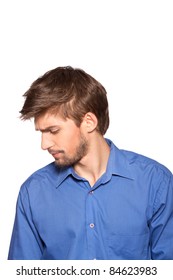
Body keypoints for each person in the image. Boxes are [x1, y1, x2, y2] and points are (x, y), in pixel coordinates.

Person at [8, 66, 173, 260]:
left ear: (89, 122)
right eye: (41, 132)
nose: (44, 144)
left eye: (53, 131)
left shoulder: (155, 183)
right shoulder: (33, 192)